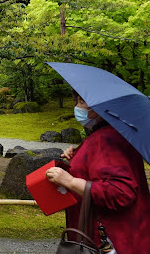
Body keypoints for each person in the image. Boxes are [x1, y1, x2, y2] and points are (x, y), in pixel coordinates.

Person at [46, 92, 150, 254]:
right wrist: (79, 156)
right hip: (127, 235)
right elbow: (101, 169)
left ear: (98, 107)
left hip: (112, 240)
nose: (76, 107)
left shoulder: (107, 139)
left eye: (81, 102)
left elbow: (121, 192)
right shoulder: (114, 135)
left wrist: (69, 181)